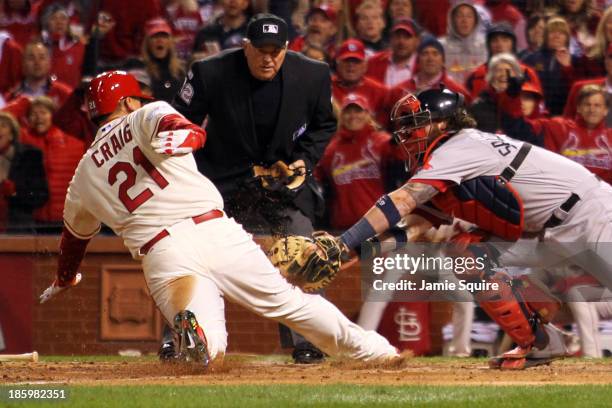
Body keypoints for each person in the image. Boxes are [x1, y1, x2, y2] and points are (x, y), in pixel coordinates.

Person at [38, 70, 400, 368]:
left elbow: (74, 238)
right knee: (288, 302)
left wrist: (65, 278)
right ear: (127, 102)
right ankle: (375, 352)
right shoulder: (144, 115)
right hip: (211, 228)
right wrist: (188, 135)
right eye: (137, 98)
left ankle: (196, 337)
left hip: (161, 254)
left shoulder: (83, 174)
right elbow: (185, 129)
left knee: (209, 355)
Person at [333, 87, 612, 368]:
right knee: (466, 252)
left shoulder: (457, 147)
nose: (406, 132)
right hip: (547, 231)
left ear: (442, 123)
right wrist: (358, 251)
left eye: (415, 122)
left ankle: (549, 314)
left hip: (592, 213)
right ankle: (541, 342)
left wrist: (341, 242)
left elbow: (401, 201)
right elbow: (415, 226)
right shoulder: (453, 156)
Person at [172, 13, 337, 364]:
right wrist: (191, 175)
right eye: (260, 49)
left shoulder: (313, 74)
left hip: (282, 186)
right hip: (222, 183)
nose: (268, 58)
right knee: (186, 252)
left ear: (287, 49)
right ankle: (180, 337)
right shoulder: (210, 72)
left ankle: (307, 339)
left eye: (275, 51)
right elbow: (177, 126)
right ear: (244, 47)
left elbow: (324, 124)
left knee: (302, 248)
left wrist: (304, 161)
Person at [0, 111, 47, 232]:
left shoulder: (29, 156)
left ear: (11, 135)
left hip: (18, 230)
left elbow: (40, 196)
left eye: (3, 125)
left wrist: (15, 193)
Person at [440, 1, 487, 85]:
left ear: (476, 20)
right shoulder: (441, 45)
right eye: (460, 16)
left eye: (469, 16)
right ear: (452, 20)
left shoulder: (485, 45)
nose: (464, 20)